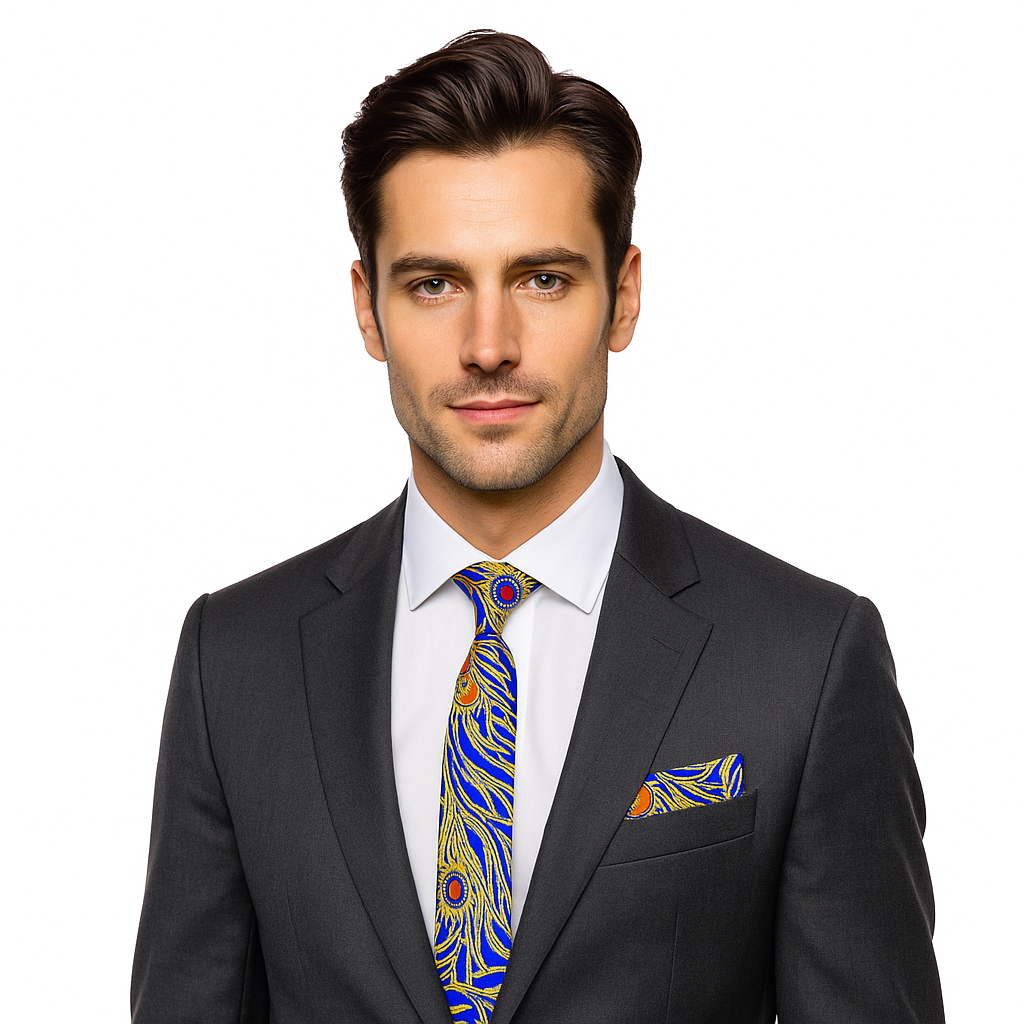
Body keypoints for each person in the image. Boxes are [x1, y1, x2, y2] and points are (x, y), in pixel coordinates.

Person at [131, 29, 944, 1024]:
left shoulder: (802, 659)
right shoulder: (235, 661)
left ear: (624, 294)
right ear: (368, 310)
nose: (488, 346)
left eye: (542, 279)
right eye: (433, 282)